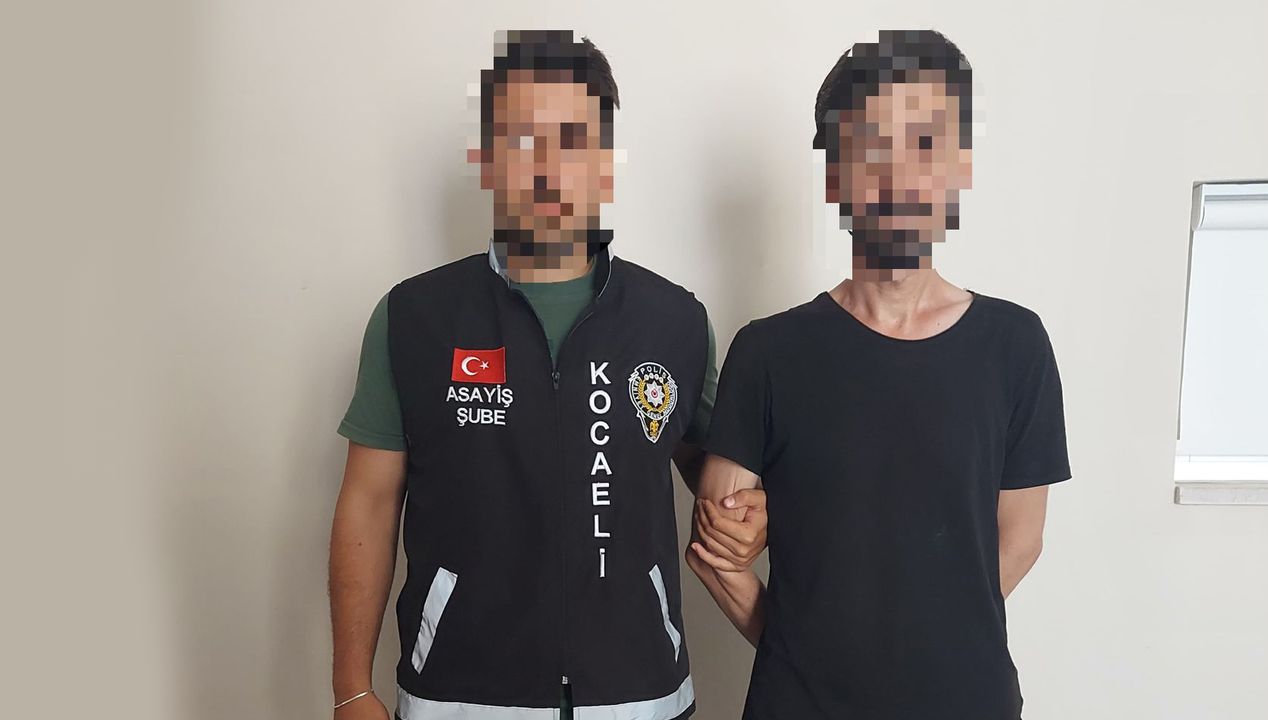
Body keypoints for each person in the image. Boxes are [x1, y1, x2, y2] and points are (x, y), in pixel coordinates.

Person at [327, 30, 765, 720]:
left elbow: (717, 477)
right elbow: (369, 504)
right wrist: (352, 687)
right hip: (457, 698)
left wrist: (751, 520)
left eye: (574, 140)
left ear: (605, 163)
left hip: (640, 697)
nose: (549, 168)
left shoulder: (674, 321)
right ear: (488, 160)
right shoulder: (414, 318)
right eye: (523, 140)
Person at [687, 29, 1072, 719]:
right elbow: (718, 549)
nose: (899, 176)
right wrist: (800, 655)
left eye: (925, 144)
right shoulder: (767, 352)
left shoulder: (1015, 346)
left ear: (959, 168)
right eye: (871, 148)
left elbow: (1020, 537)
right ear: (836, 177)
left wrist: (922, 650)